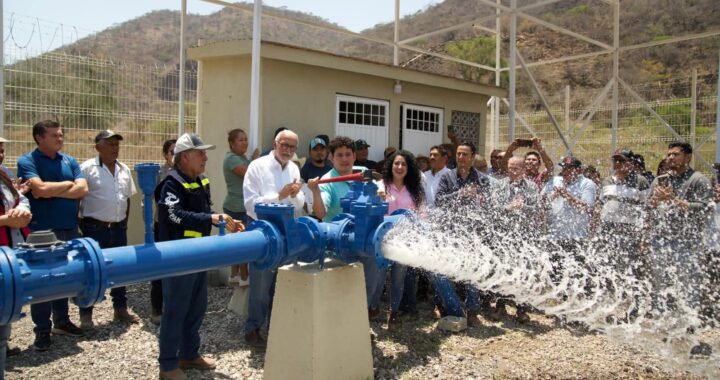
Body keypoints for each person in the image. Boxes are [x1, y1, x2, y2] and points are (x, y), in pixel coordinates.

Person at [155, 133, 242, 380]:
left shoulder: (201, 181)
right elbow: (174, 216)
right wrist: (210, 218)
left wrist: (223, 219)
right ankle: (168, 365)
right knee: (175, 310)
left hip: (199, 253)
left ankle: (189, 354)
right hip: (178, 256)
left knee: (197, 306)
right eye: (200, 153)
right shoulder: (170, 183)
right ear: (184, 157)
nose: (205, 157)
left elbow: (205, 211)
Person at [17, 120, 88, 351]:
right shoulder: (28, 161)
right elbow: (38, 189)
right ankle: (42, 331)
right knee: (44, 281)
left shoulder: (69, 160)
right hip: (43, 232)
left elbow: (83, 190)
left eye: (61, 134)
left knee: (65, 276)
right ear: (39, 137)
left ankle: (62, 321)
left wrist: (52, 189)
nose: (60, 138)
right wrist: (68, 185)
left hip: (69, 228)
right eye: (54, 135)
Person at [243, 129, 304, 350]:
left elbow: (300, 204)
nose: (288, 150)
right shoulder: (257, 167)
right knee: (260, 284)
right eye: (284, 145)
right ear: (274, 143)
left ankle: (278, 328)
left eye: (292, 147)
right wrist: (279, 195)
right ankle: (253, 329)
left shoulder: (294, 168)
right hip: (263, 230)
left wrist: (296, 196)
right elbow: (250, 204)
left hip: (288, 230)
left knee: (283, 282)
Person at [307, 136, 381, 318]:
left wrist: (381, 190)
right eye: (339, 155)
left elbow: (380, 186)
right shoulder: (327, 182)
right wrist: (315, 191)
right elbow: (321, 213)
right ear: (331, 158)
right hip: (340, 246)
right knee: (344, 291)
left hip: (366, 240)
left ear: (355, 156)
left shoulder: (363, 172)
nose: (344, 158)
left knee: (370, 282)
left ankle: (363, 319)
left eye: (348, 154)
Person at [77, 130, 140, 330]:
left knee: (120, 268)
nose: (115, 148)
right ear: (98, 147)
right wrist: (83, 227)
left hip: (118, 227)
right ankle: (86, 313)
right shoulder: (87, 168)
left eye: (116, 145)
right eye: (110, 144)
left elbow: (127, 200)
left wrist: (124, 223)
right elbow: (78, 200)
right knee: (91, 270)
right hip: (95, 227)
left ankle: (120, 307)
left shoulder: (124, 170)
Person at [645, 142, 712, 319]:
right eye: (669, 155)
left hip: (688, 242)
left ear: (688, 157)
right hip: (661, 240)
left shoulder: (698, 180)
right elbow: (647, 205)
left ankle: (688, 325)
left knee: (688, 285)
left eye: (675, 154)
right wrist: (656, 201)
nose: (671, 158)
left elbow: (706, 208)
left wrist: (674, 200)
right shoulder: (661, 180)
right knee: (661, 283)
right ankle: (665, 322)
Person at [432, 141, 493, 327]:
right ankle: (443, 305)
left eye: (465, 154)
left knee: (472, 273)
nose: (460, 157)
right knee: (445, 270)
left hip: (473, 234)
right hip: (450, 233)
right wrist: (459, 195)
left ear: (473, 156)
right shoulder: (447, 177)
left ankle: (473, 311)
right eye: (458, 154)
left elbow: (488, 207)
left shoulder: (482, 180)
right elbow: (439, 201)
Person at [371, 150, 425, 326]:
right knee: (378, 276)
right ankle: (372, 308)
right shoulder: (380, 186)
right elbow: (371, 210)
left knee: (398, 278)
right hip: (382, 239)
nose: (400, 167)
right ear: (390, 166)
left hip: (403, 241)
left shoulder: (415, 191)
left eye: (404, 164)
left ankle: (394, 311)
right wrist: (376, 199)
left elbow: (421, 216)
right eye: (396, 163)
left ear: (409, 168)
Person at [490, 156, 539, 323]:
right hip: (504, 237)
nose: (513, 171)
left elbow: (536, 209)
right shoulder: (499, 184)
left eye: (517, 168)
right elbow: (494, 208)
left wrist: (523, 206)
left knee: (522, 273)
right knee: (502, 272)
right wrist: (509, 207)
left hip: (523, 237)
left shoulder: (531, 186)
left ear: (524, 169)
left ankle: (521, 309)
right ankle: (500, 306)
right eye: (511, 168)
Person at [0, 140, 31, 373]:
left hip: (8, 251)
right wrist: (6, 220)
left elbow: (16, 201)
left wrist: (21, 210)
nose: (1, 155)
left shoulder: (3, 175)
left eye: (1, 150)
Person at [151, 138, 176, 325]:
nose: (175, 156)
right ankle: (157, 309)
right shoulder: (160, 174)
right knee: (159, 268)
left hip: (179, 228)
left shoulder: (189, 174)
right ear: (165, 155)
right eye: (172, 152)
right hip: (162, 226)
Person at [223, 129, 252, 286]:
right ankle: (244, 277)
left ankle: (234, 275)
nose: (245, 142)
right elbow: (248, 174)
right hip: (236, 207)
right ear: (231, 143)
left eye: (246, 139)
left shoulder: (242, 158)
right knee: (243, 242)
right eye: (241, 140)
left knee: (237, 241)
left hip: (240, 206)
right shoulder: (231, 159)